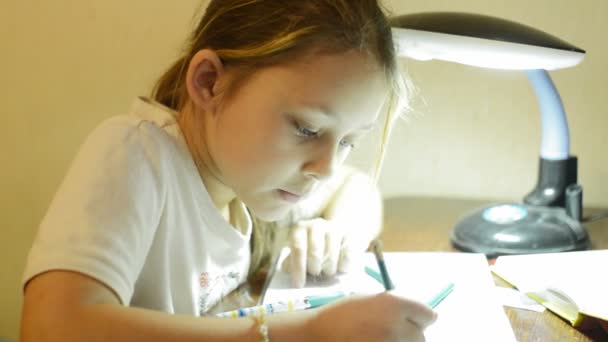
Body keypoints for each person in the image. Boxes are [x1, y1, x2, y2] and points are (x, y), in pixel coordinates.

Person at [20, 0, 437, 341]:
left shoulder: (248, 176)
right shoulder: (138, 154)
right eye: (307, 128)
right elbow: (51, 328)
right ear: (208, 83)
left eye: (348, 141)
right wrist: (307, 333)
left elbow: (357, 189)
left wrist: (339, 231)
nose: (326, 167)